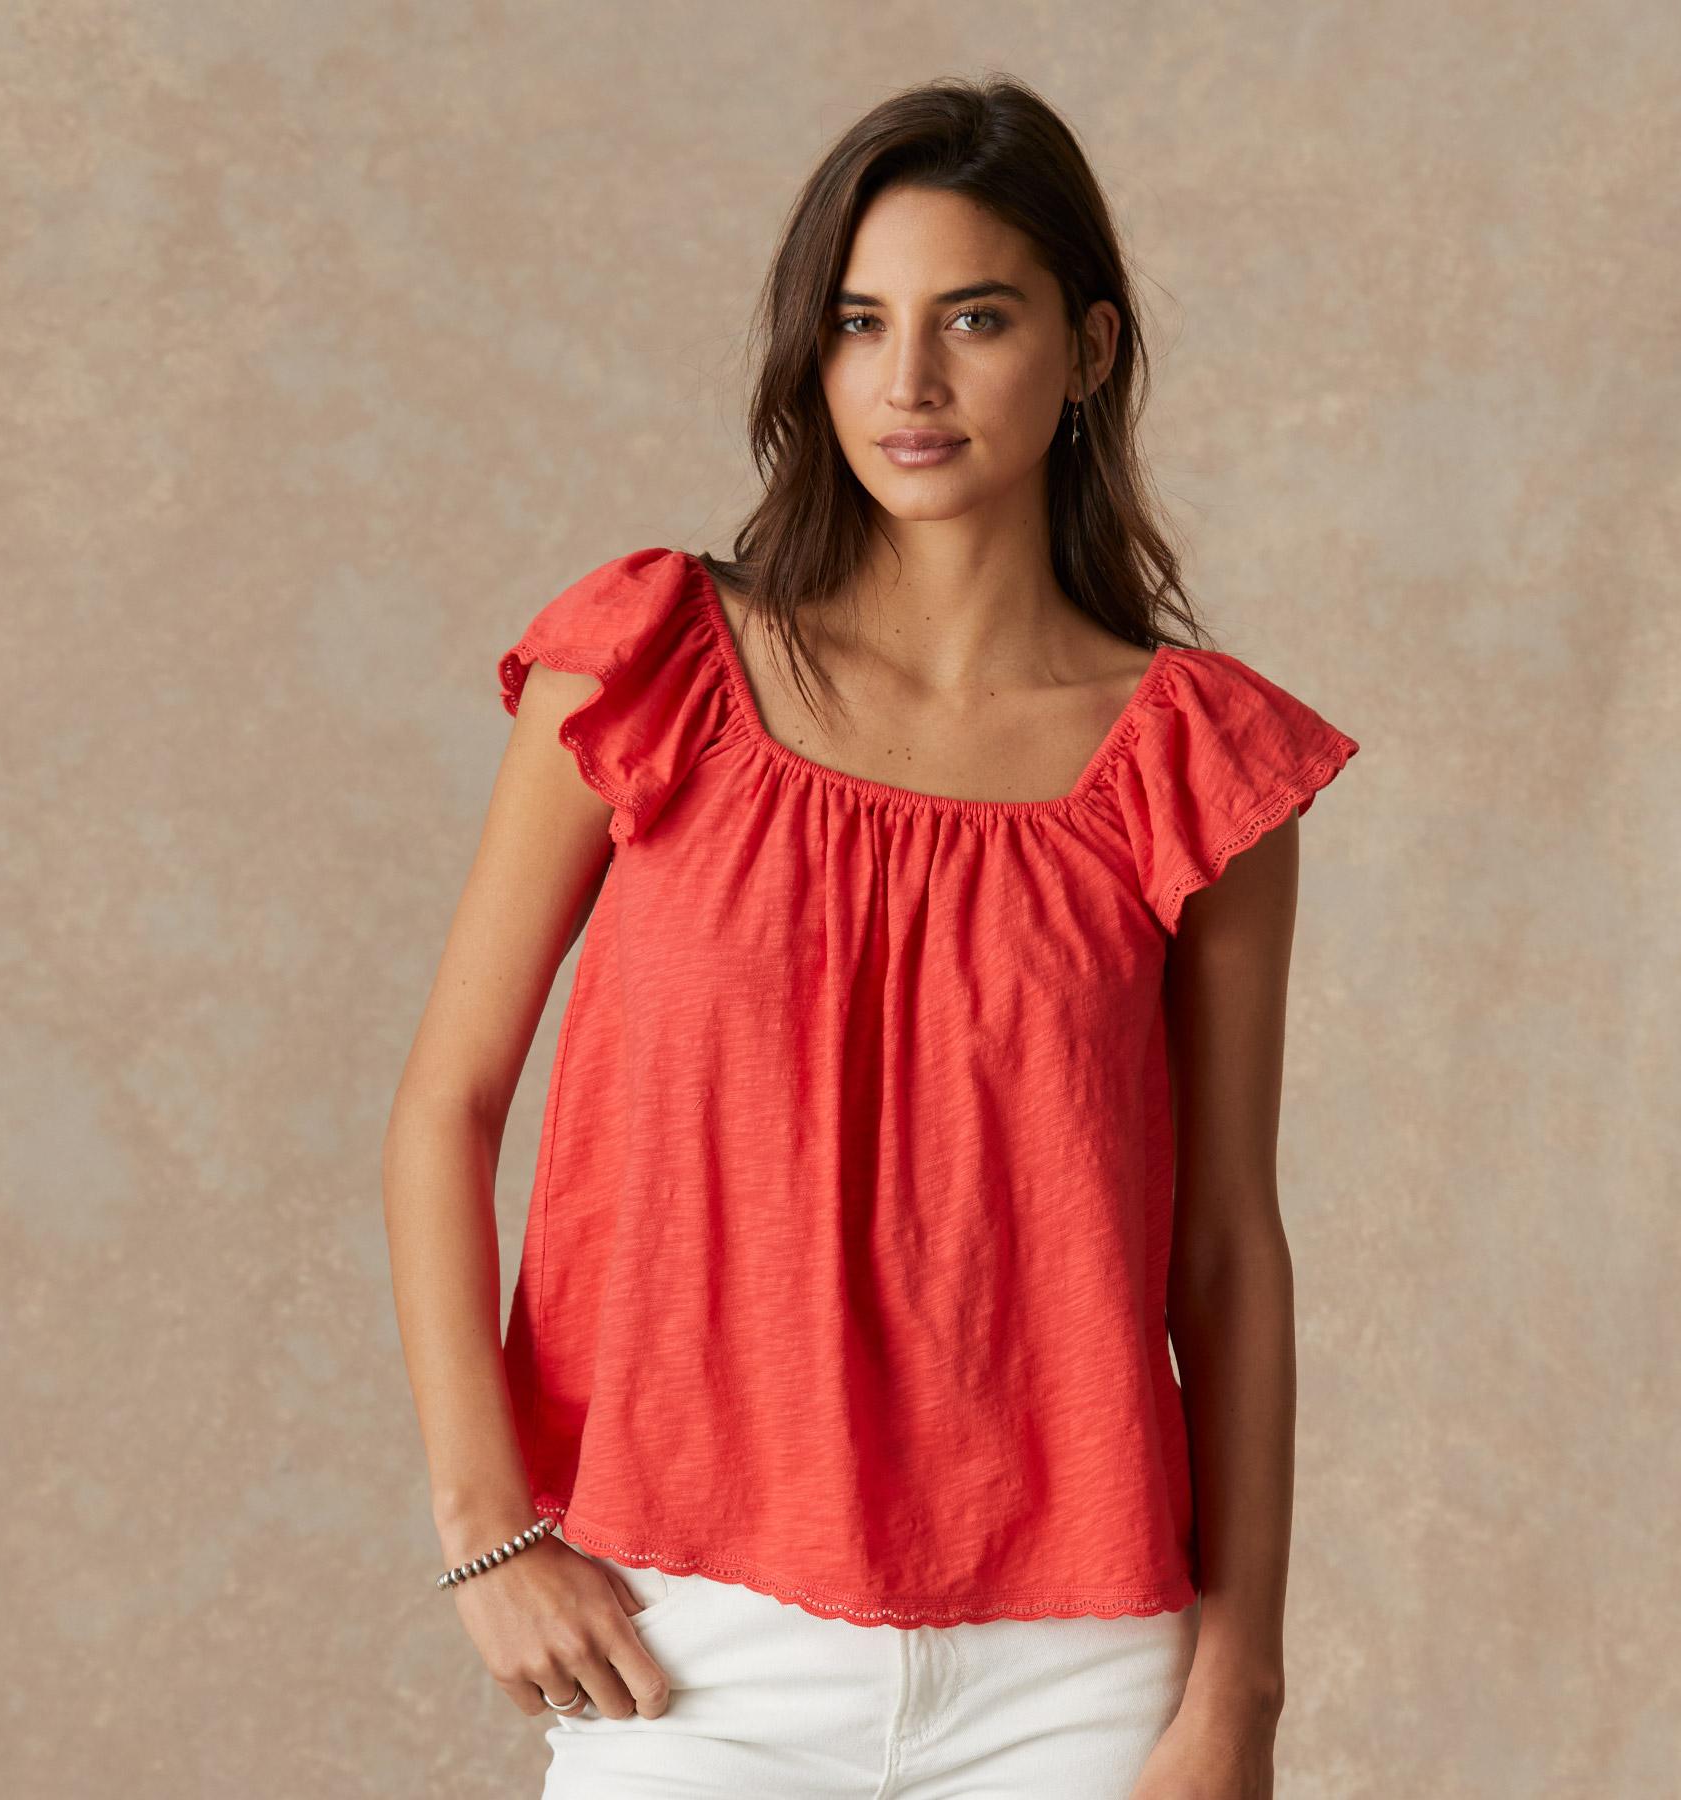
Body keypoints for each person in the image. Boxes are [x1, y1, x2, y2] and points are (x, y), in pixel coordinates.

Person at [384, 74, 1360, 1800]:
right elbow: (445, 1108)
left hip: (1078, 1676)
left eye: (974, 318)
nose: (908, 384)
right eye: (857, 323)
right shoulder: (651, 668)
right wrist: (487, 1531)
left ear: (1091, 348)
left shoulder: (1192, 767)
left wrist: (1239, 1697)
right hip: (687, 1646)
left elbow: (1226, 1250)